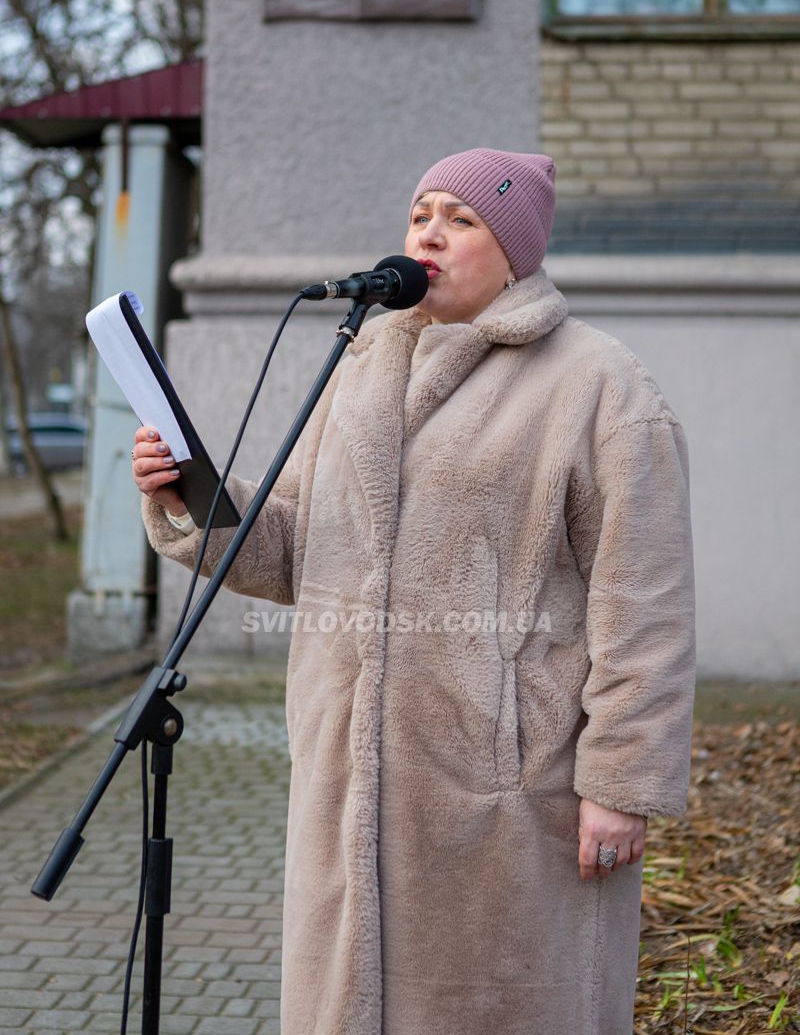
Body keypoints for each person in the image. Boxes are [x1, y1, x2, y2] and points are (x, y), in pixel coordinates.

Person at [132, 147, 696, 1035]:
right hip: (346, 775)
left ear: (516, 249)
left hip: (510, 794)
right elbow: (297, 549)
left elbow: (646, 604)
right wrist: (190, 495)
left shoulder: (599, 385)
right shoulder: (360, 365)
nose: (429, 231)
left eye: (460, 218)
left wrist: (621, 783)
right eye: (420, 213)